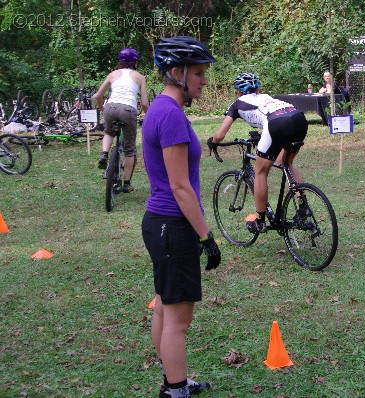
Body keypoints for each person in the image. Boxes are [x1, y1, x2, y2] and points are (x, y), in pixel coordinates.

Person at [141, 36, 221, 398]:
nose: (204, 80)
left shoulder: (160, 108)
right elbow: (180, 186)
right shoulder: (171, 114)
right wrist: (206, 236)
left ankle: (172, 379)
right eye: (199, 73)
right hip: (173, 225)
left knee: (164, 305)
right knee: (178, 318)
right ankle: (175, 391)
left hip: (160, 224)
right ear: (177, 72)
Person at [208, 72, 309, 233]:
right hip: (298, 119)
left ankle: (260, 219)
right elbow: (272, 116)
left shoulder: (237, 103)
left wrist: (212, 142)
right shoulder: (266, 97)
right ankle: (303, 206)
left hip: (276, 123)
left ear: (238, 91)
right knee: (287, 163)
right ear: (258, 88)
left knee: (260, 172)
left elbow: (220, 135)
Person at [96, 48, 149, 193]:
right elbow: (144, 103)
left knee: (108, 132)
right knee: (129, 149)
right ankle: (126, 183)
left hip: (111, 107)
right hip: (128, 110)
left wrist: (103, 110)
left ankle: (104, 153)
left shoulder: (113, 74)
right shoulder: (139, 77)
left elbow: (98, 96)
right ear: (135, 62)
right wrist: (149, 115)